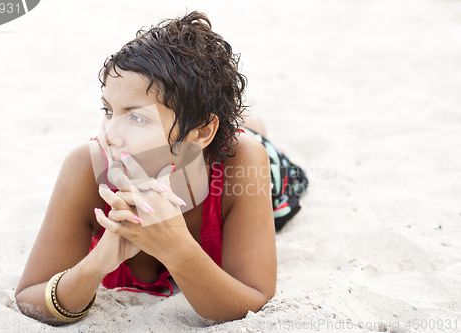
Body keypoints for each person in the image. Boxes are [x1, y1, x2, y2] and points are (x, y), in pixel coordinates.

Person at [15, 11, 308, 326]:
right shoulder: (86, 166)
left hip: (231, 157)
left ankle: (247, 126)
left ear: (201, 132)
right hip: (202, 137)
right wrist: (96, 264)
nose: (109, 135)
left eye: (137, 117)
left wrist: (177, 249)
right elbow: (29, 296)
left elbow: (254, 299)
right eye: (108, 110)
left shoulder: (244, 163)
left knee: (256, 142)